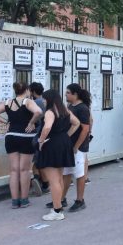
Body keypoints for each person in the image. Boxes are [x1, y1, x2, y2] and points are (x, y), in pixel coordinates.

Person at [0, 82, 42, 208]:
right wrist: (31, 122)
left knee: (13, 171)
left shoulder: (8, 102)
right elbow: (38, 112)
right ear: (27, 90)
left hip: (11, 136)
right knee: (24, 170)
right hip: (26, 137)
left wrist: (6, 122)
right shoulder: (28, 102)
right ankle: (24, 200)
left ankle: (14, 201)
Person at [38, 90, 80, 221]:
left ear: (49, 99)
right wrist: (67, 135)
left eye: (44, 99)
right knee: (59, 178)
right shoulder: (65, 111)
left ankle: (57, 211)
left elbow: (47, 128)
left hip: (52, 144)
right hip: (64, 143)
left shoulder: (50, 112)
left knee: (53, 180)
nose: (43, 101)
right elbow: (77, 123)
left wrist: (40, 141)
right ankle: (59, 205)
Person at [63, 83, 92, 212]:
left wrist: (77, 146)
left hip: (78, 147)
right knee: (66, 172)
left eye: (68, 92)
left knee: (79, 174)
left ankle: (80, 200)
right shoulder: (70, 106)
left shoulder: (83, 108)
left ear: (75, 94)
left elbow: (85, 129)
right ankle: (61, 199)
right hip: (69, 145)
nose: (66, 94)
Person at [28, 82, 49, 193]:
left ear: (33, 92)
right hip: (46, 133)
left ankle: (42, 182)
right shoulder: (46, 102)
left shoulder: (34, 103)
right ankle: (40, 181)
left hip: (36, 133)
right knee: (38, 159)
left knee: (36, 159)